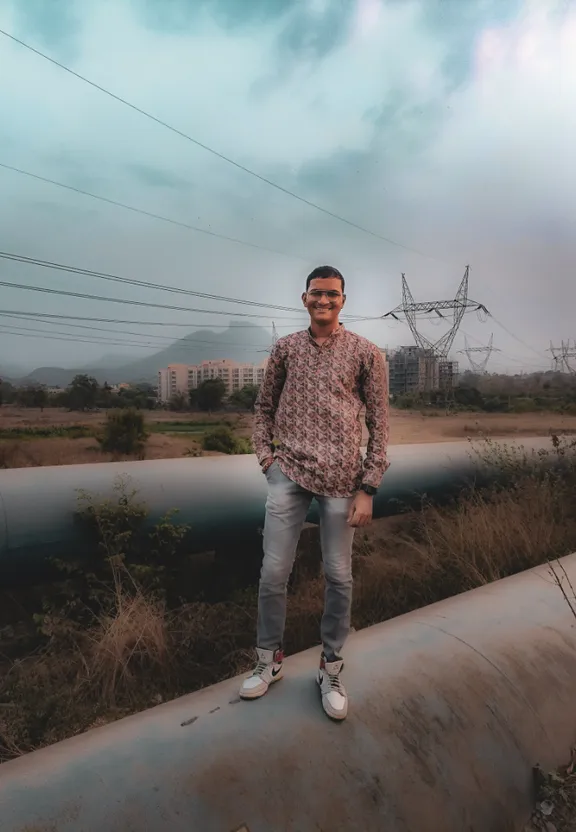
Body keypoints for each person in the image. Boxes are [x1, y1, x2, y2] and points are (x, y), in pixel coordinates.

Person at [239, 265, 390, 720]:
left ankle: (331, 667)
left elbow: (379, 425)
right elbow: (263, 409)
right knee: (272, 574)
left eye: (332, 294)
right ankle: (269, 661)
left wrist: (368, 488)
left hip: (344, 483)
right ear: (303, 298)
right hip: (289, 476)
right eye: (316, 294)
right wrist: (268, 462)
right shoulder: (285, 349)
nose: (323, 301)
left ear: (343, 300)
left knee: (339, 577)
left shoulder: (367, 353)